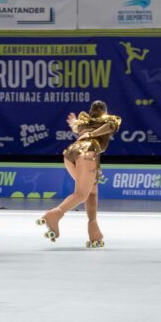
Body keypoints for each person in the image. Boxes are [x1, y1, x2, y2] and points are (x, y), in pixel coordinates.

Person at [36, 101, 121, 248]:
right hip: (87, 153)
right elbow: (110, 126)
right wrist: (93, 134)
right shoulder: (109, 120)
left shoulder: (84, 121)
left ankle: (94, 230)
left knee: (91, 191)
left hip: (70, 152)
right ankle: (55, 214)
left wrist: (75, 124)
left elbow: (77, 127)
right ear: (105, 111)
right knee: (81, 194)